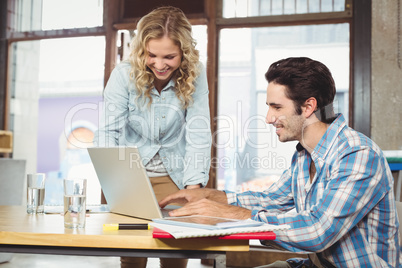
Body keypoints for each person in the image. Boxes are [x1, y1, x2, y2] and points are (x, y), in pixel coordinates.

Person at [160, 57, 401, 267]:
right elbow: (272, 200)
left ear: (308, 106)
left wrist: (233, 215)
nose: (268, 118)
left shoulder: (357, 154)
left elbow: (318, 231)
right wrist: (210, 197)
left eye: (276, 107)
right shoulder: (305, 154)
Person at [94, 6, 211, 268]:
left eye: (169, 56)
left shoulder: (196, 72)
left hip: (176, 175)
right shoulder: (123, 74)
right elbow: (107, 131)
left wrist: (193, 188)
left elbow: (199, 131)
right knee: (133, 256)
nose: (159, 65)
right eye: (151, 55)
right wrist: (116, 184)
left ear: (184, 52)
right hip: (132, 176)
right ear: (141, 50)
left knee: (175, 257)